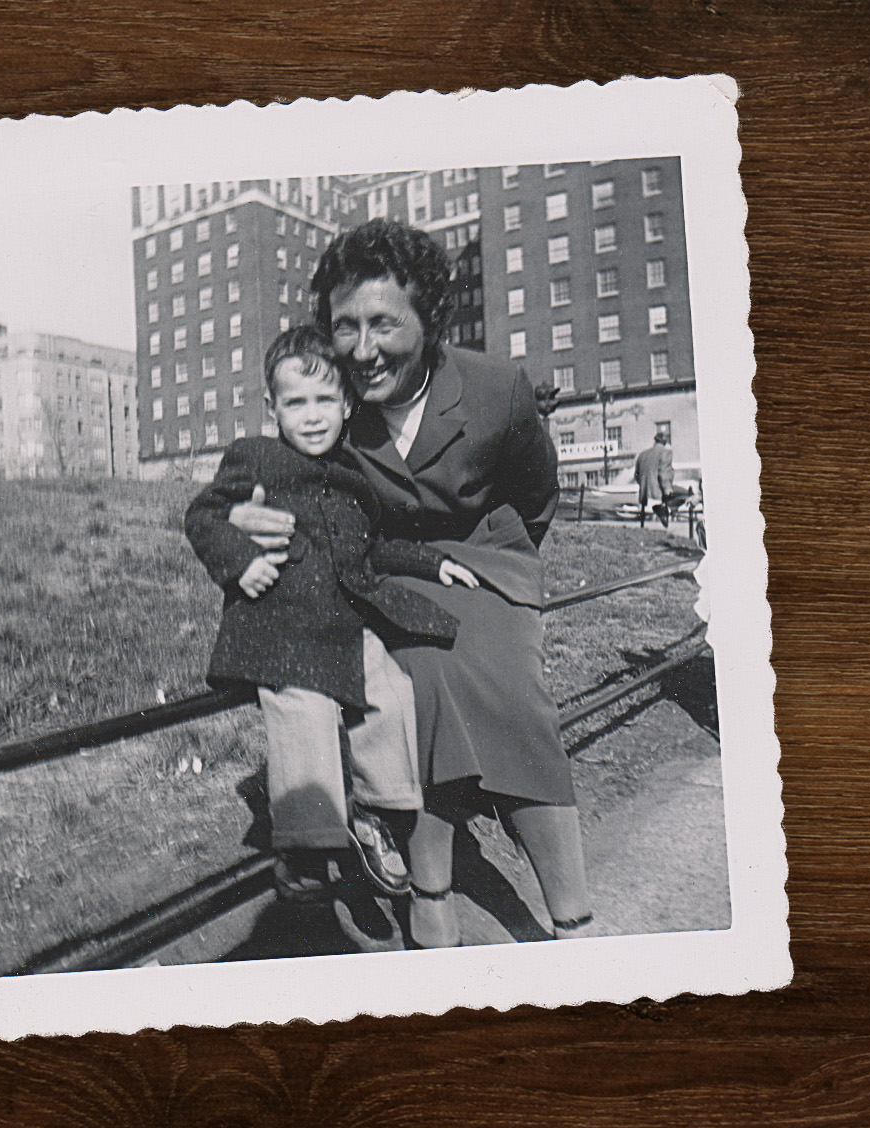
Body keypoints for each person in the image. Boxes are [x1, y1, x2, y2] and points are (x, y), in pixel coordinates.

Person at [229, 220, 598, 946]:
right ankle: (433, 888)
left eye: (383, 325)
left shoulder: (496, 391)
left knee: (505, 686)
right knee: (419, 676)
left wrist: (504, 574)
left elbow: (536, 494)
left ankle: (569, 907)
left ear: (430, 321)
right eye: (345, 327)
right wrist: (248, 517)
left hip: (486, 560)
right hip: (384, 569)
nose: (363, 350)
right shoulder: (333, 406)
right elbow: (292, 488)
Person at [184, 326, 478, 903]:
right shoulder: (256, 457)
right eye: (296, 403)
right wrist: (240, 561)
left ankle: (374, 811)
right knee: (306, 708)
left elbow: (371, 547)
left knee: (390, 692)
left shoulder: (353, 475)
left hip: (343, 621)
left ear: (347, 404)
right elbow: (204, 516)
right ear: (273, 409)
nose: (312, 416)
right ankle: (306, 847)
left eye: (324, 401)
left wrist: (431, 563)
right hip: (280, 623)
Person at [632, 431, 687, 529]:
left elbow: (636, 475)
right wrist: (667, 491)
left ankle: (666, 509)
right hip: (659, 491)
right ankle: (664, 509)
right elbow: (664, 473)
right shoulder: (666, 452)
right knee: (686, 493)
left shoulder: (642, 454)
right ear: (665, 441)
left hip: (644, 492)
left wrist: (644, 486)